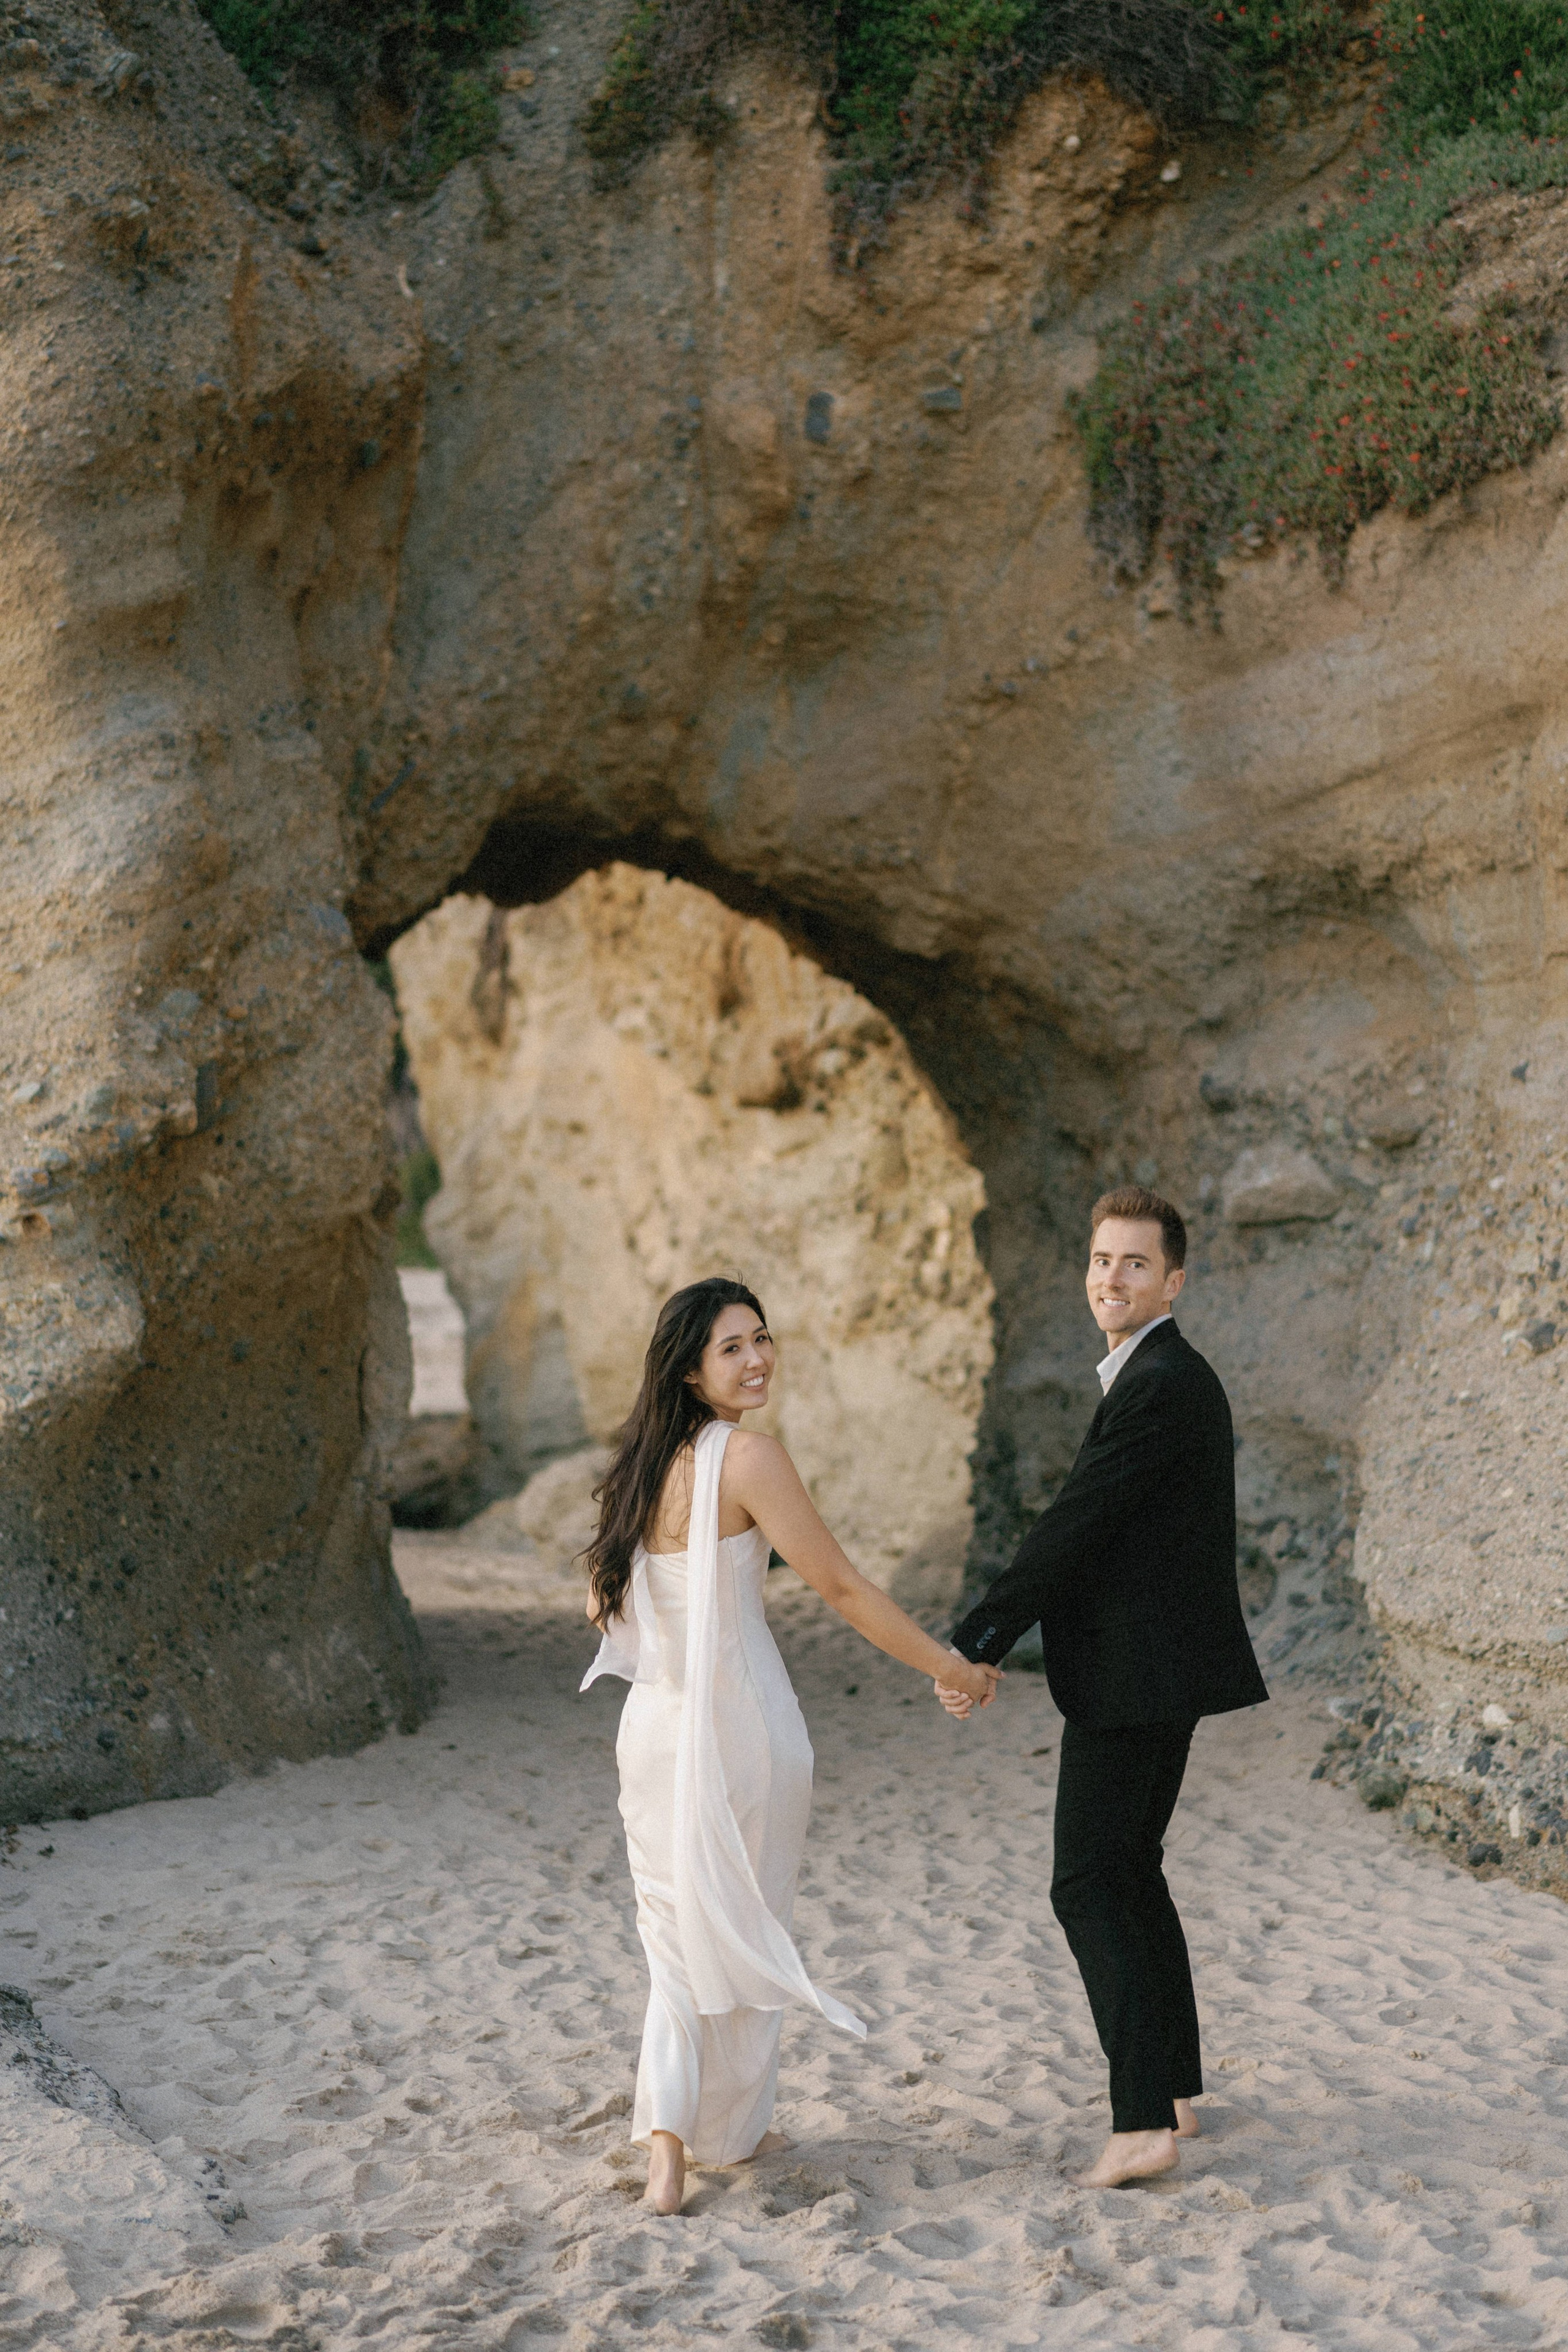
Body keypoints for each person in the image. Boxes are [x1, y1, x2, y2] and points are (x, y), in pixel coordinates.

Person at [582, 1276, 1000, 2216]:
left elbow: (606, 1609)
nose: (757, 1357)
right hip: (744, 1727)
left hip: (653, 1729)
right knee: (744, 1924)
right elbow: (844, 1590)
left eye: (761, 1338)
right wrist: (955, 1667)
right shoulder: (751, 1459)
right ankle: (703, 2133)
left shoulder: (640, 1470)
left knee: (677, 1936)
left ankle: (684, 2142)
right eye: (732, 1347)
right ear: (691, 1371)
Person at [938, 1186, 1267, 2189]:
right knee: (1132, 1872)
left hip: (1137, 1677)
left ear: (1175, 1280)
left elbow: (1076, 1523)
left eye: (1134, 1264)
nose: (1110, 1279)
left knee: (1086, 1882)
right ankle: (1169, 2093)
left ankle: (1141, 2126)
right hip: (1152, 1671)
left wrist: (980, 1639)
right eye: (1100, 1261)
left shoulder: (1163, 1380)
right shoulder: (1157, 1374)